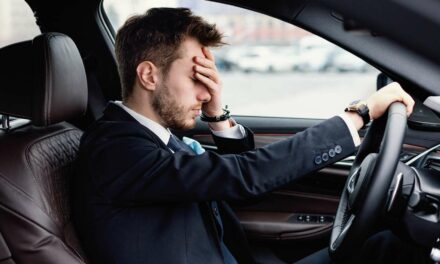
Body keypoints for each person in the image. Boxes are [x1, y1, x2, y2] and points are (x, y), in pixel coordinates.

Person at [72, 7, 416, 264]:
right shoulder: (115, 149)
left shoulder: (155, 137)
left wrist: (217, 114)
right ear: (149, 75)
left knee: (385, 246)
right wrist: (358, 115)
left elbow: (231, 190)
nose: (206, 92)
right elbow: (243, 176)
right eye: (196, 77)